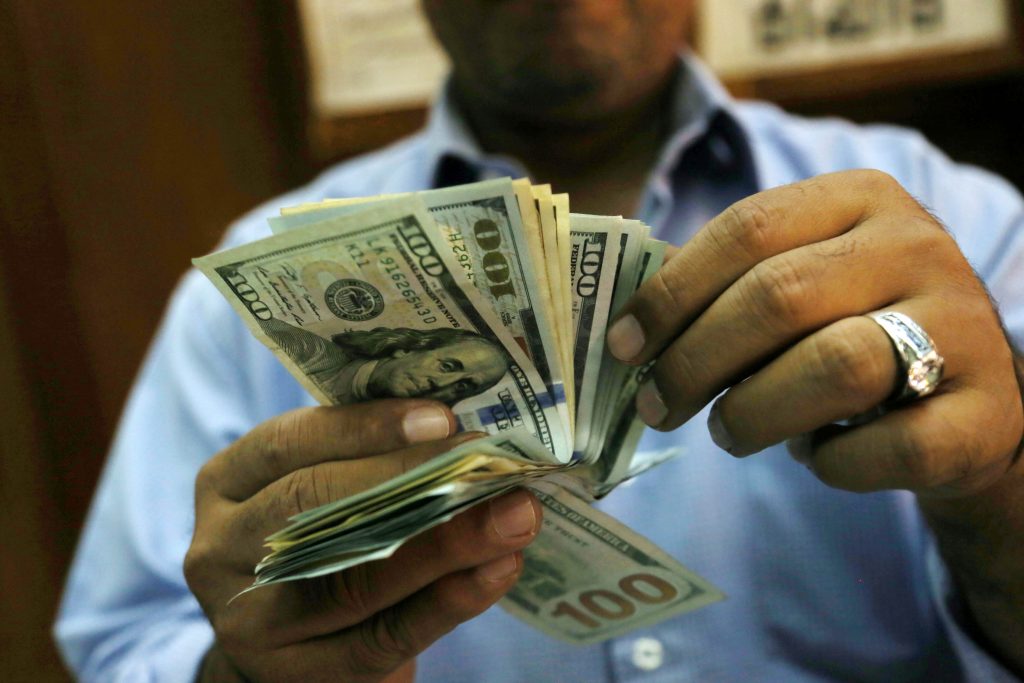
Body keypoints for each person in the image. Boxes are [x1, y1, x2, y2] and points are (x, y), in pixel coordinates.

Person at [55, 1, 1024, 681]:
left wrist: (1000, 483)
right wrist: (240, 674)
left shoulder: (960, 224)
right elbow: (124, 643)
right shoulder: (249, 292)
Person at [260, 317, 510, 406]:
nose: (441, 383)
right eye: (447, 366)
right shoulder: (306, 351)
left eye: (463, 386)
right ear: (408, 349)